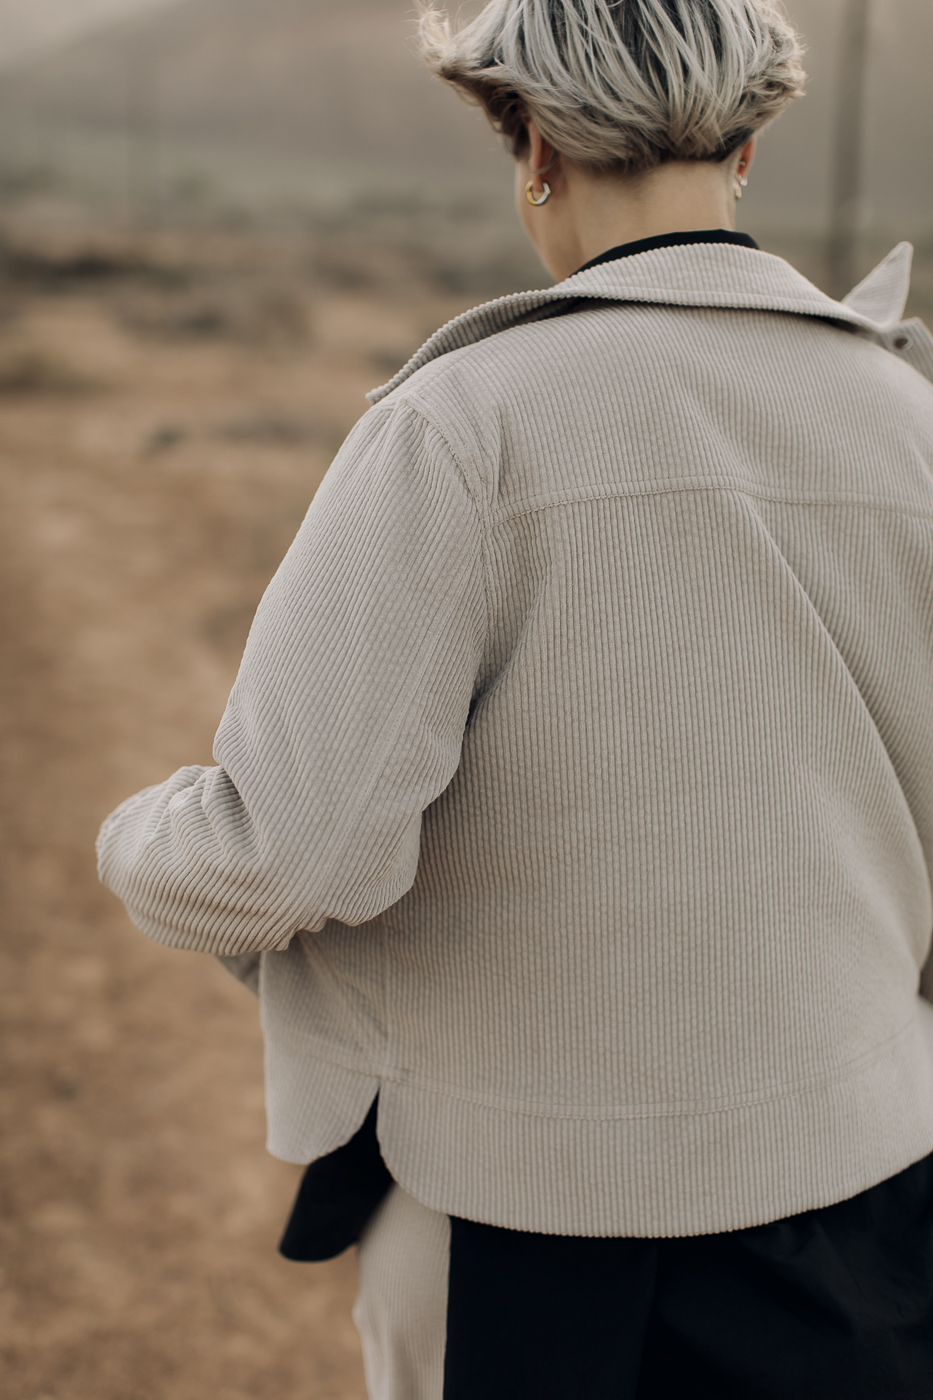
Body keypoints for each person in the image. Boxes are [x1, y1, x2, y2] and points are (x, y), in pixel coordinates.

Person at [97, 1, 933, 1395]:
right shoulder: (912, 425)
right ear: (745, 142)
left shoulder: (458, 425)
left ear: (534, 145)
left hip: (517, 1227)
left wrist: (132, 834)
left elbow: (279, 855)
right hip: (861, 1202)